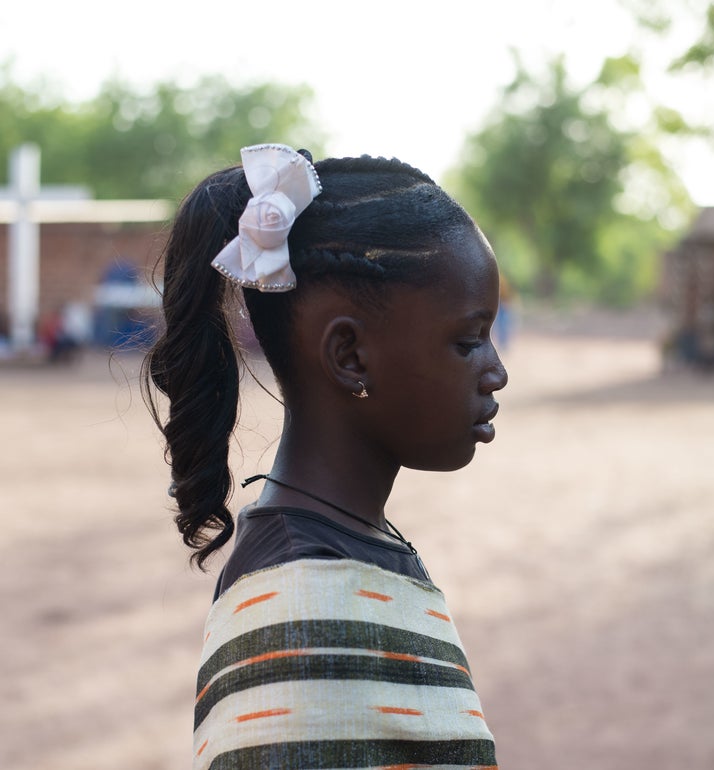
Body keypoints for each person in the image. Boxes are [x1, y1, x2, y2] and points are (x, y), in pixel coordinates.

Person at [142, 143, 508, 769]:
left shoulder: (338, 559)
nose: (496, 372)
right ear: (350, 356)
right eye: (468, 340)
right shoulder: (310, 609)